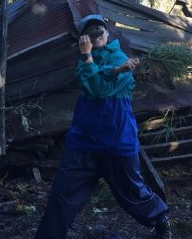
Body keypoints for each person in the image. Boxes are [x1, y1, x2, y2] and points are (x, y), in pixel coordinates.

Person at [34, 14, 172, 239]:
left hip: (117, 142)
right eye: (90, 31)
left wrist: (112, 68)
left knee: (133, 191)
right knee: (62, 195)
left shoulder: (122, 59)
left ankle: (161, 221)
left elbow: (100, 89)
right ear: (83, 39)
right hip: (83, 143)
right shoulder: (84, 63)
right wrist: (88, 57)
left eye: (100, 29)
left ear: (108, 34)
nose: (96, 33)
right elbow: (92, 84)